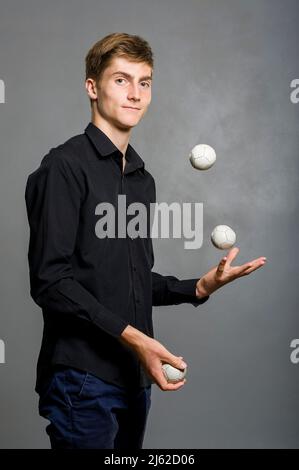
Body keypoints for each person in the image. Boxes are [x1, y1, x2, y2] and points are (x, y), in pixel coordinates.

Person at [25, 32, 266, 449]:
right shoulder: (63, 167)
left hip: (135, 380)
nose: (135, 93)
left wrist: (198, 287)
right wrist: (137, 339)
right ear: (92, 87)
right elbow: (51, 281)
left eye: (145, 82)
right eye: (121, 80)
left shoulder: (141, 179)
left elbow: (124, 277)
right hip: (81, 379)